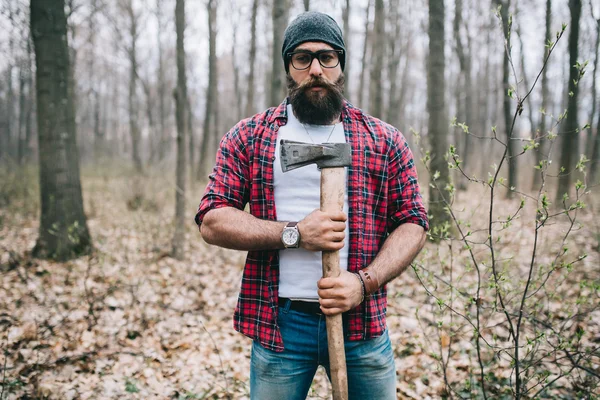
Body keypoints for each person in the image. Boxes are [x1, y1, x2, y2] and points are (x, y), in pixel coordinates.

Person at [195, 11, 429, 400]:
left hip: (362, 326)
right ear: (288, 66)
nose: (316, 68)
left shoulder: (383, 139)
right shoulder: (251, 136)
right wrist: (294, 233)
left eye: (327, 57)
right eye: (302, 58)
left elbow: (414, 222)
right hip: (281, 327)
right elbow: (212, 219)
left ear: (340, 65)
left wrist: (363, 283)